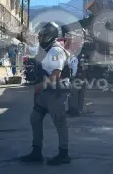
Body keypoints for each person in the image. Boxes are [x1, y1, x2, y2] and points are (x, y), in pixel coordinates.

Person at [22, 22, 72, 165]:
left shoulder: (55, 51)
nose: (40, 37)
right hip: (46, 92)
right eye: (40, 35)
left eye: (43, 35)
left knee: (59, 123)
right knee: (35, 118)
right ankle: (36, 151)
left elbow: (56, 74)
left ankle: (64, 154)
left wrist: (40, 86)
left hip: (55, 92)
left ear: (50, 36)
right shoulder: (46, 50)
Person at [66, 45, 82, 117]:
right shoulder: (70, 58)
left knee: (74, 95)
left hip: (75, 78)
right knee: (71, 94)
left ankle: (74, 111)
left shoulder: (74, 58)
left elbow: (74, 68)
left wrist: (73, 76)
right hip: (73, 78)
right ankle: (71, 109)